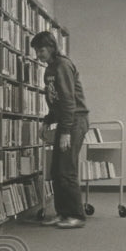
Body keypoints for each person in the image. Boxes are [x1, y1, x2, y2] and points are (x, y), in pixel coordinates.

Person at [30, 30, 90, 228]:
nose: (38, 54)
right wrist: (48, 119)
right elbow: (55, 101)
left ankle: (76, 216)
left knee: (67, 168)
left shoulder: (62, 65)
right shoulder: (49, 69)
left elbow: (68, 101)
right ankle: (62, 213)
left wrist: (65, 131)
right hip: (65, 121)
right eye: (37, 51)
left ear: (52, 47)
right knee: (57, 170)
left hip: (74, 121)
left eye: (42, 49)